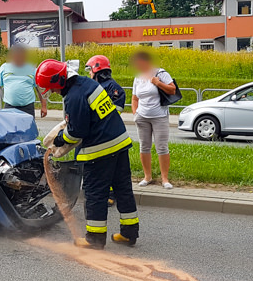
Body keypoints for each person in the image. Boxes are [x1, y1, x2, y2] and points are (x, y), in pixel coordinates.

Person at [36, 59, 139, 249]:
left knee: (95, 194)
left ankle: (95, 239)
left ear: (59, 81)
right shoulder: (88, 83)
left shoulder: (74, 96)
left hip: (100, 151)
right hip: (120, 143)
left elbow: (77, 132)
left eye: (52, 88)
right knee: (123, 189)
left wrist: (59, 139)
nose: (54, 92)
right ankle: (129, 233)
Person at [130, 51, 176, 189]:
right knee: (144, 146)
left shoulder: (160, 73)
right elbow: (134, 98)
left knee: (162, 147)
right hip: (142, 117)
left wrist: (158, 83)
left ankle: (165, 179)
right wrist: (135, 113)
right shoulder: (138, 77)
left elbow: (172, 90)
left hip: (159, 116)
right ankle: (147, 176)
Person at [85, 55, 126, 206]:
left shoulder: (112, 88)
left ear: (97, 70)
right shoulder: (97, 86)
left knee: (107, 167)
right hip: (98, 133)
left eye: (90, 70)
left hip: (107, 134)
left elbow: (114, 112)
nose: (89, 74)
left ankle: (110, 194)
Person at [0, 45, 47, 118]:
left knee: (27, 129)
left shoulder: (32, 69)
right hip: (9, 107)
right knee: (9, 129)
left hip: (27, 108)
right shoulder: (4, 68)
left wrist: (44, 106)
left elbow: (40, 89)